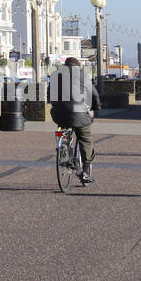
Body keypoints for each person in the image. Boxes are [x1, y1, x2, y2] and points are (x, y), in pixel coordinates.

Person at [47, 56, 101, 185]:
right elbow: (94, 94)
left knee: (63, 127)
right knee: (85, 139)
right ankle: (86, 173)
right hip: (79, 113)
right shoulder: (83, 75)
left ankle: (63, 148)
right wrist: (96, 108)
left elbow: (49, 94)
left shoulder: (55, 75)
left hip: (58, 114)